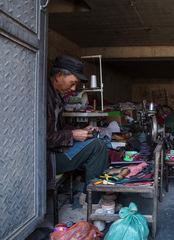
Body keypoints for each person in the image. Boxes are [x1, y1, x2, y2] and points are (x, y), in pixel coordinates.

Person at [46, 55, 108, 203]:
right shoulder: (43, 98)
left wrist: (82, 130)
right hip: (48, 159)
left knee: (95, 138)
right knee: (98, 146)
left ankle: (93, 196)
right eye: (72, 83)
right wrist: (72, 134)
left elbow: (59, 128)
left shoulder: (55, 97)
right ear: (59, 76)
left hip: (56, 151)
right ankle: (91, 202)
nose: (73, 88)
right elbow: (44, 138)